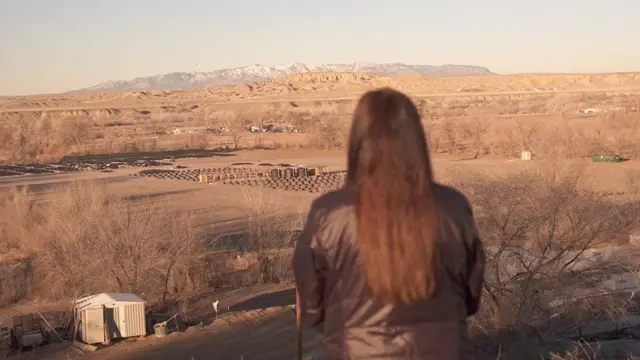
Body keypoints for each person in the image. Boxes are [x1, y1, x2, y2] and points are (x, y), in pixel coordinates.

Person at [292, 88, 485, 360]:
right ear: (416, 141)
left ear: (358, 142)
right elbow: (471, 297)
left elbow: (312, 307)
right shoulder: (453, 207)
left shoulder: (329, 214)